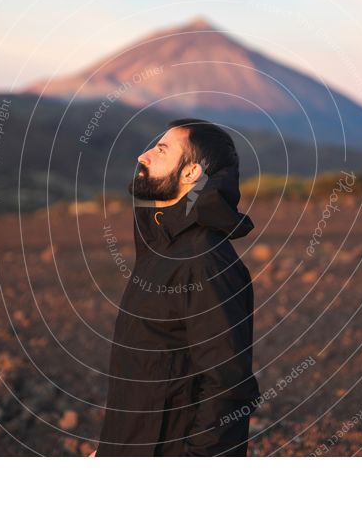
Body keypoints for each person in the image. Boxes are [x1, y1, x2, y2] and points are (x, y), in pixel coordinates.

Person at [93, 118, 260, 457]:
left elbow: (226, 387)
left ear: (190, 174)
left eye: (161, 150)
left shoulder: (205, 262)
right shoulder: (160, 249)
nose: (144, 155)